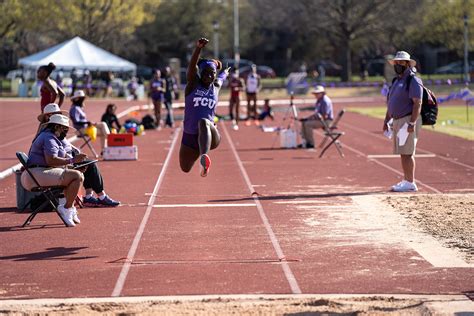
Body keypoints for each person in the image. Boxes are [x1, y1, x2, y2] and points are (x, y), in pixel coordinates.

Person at [21, 114, 85, 227]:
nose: (66, 131)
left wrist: (72, 164)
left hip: (40, 172)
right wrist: (73, 160)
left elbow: (55, 161)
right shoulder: (48, 137)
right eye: (65, 129)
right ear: (56, 127)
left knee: (77, 175)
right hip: (35, 175)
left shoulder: (52, 137)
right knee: (76, 176)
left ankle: (68, 207)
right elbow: (51, 160)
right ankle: (67, 208)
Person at [180, 37, 229, 177]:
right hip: (190, 135)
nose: (210, 75)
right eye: (206, 72)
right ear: (200, 73)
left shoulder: (216, 87)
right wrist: (198, 48)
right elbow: (191, 68)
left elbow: (222, 76)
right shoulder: (192, 85)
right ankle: (202, 160)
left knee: (203, 121)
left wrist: (225, 71)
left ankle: (204, 157)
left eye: (212, 73)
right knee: (185, 168)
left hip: (211, 135)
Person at [383, 51, 423, 192]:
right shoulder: (396, 80)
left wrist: (412, 123)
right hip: (398, 120)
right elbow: (391, 102)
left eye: (401, 62)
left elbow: (417, 102)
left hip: (407, 119)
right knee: (402, 152)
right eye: (396, 63)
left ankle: (410, 182)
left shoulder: (413, 80)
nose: (398, 65)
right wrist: (386, 119)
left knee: (407, 152)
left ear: (407, 64)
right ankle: (407, 180)